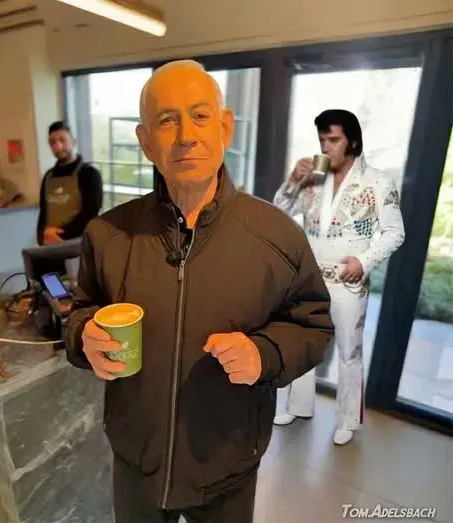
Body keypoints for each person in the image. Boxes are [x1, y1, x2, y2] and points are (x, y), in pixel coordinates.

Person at [64, 60, 333, 523]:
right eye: (167, 121)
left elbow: (313, 325)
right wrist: (83, 334)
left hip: (228, 465)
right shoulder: (107, 234)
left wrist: (265, 353)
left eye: (200, 116)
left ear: (225, 128)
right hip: (136, 461)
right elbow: (80, 312)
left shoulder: (277, 236)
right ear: (146, 141)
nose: (186, 135)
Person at [273, 109, 405, 446]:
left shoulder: (377, 181)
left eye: (333, 140)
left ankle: (347, 420)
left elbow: (395, 233)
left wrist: (364, 261)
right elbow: (279, 213)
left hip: (348, 282)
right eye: (322, 140)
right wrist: (293, 180)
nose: (325, 147)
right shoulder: (313, 178)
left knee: (349, 352)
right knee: (305, 342)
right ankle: (299, 407)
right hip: (310, 280)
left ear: (352, 142)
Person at [36, 121, 103, 245]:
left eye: (62, 140)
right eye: (53, 142)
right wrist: (41, 237)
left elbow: (90, 214)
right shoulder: (48, 176)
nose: (58, 146)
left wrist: (61, 235)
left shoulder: (89, 174)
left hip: (79, 244)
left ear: (73, 142)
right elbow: (43, 212)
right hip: (50, 244)